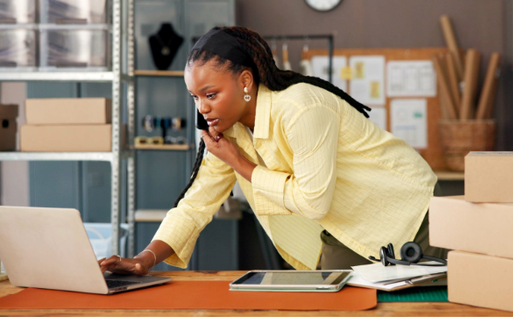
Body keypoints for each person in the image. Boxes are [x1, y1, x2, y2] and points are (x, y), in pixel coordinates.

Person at [99, 26, 447, 274]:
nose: (201, 108)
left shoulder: (300, 108)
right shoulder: (228, 129)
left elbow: (313, 201)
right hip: (346, 229)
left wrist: (241, 164)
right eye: (195, 97)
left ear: (245, 81)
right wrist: (145, 258)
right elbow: (196, 203)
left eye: (210, 94)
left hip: (409, 215)